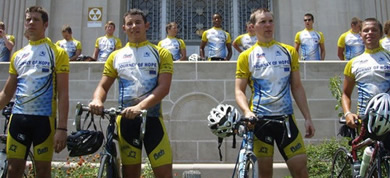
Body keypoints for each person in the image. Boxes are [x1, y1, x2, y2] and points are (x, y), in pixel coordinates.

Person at [89, 8, 173, 178]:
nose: (134, 26)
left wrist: (139, 107)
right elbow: (103, 86)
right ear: (124, 28)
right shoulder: (115, 56)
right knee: (130, 174)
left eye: (138, 22)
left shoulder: (161, 53)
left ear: (146, 25)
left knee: (164, 173)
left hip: (152, 120)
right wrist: (97, 99)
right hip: (126, 121)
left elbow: (164, 88)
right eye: (129, 23)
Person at [235, 8, 315, 178]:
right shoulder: (246, 56)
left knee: (301, 170)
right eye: (262, 22)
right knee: (265, 173)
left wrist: (307, 117)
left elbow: (297, 87)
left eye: (270, 21)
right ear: (253, 26)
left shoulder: (288, 51)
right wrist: (246, 111)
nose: (268, 25)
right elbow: (239, 91)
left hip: (286, 120)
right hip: (260, 121)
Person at [0, 6, 69, 177]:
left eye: (36, 19)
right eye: (28, 19)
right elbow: (7, 93)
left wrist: (62, 128)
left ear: (45, 24)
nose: (31, 23)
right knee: (13, 169)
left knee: (43, 171)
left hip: (44, 120)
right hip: (19, 118)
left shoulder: (57, 53)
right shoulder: (18, 55)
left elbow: (63, 93)